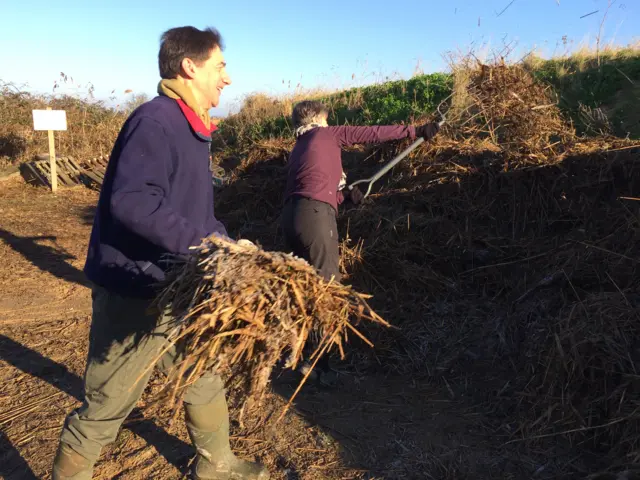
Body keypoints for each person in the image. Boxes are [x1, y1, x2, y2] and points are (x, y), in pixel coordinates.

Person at [52, 26, 269, 480]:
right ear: (190, 67)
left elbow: (191, 211)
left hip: (176, 283)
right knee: (109, 401)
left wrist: (229, 246)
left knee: (201, 372)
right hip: (135, 286)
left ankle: (216, 465)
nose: (227, 78)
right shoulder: (156, 121)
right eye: (220, 67)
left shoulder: (191, 127)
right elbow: (133, 203)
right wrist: (205, 247)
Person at [281, 100, 440, 384]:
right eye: (327, 119)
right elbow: (370, 133)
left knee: (305, 288)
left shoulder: (299, 147)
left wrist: (344, 197)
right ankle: (318, 364)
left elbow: (313, 184)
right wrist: (415, 130)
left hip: (292, 218)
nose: (330, 124)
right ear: (317, 119)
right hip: (316, 217)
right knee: (328, 290)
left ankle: (301, 353)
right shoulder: (325, 135)